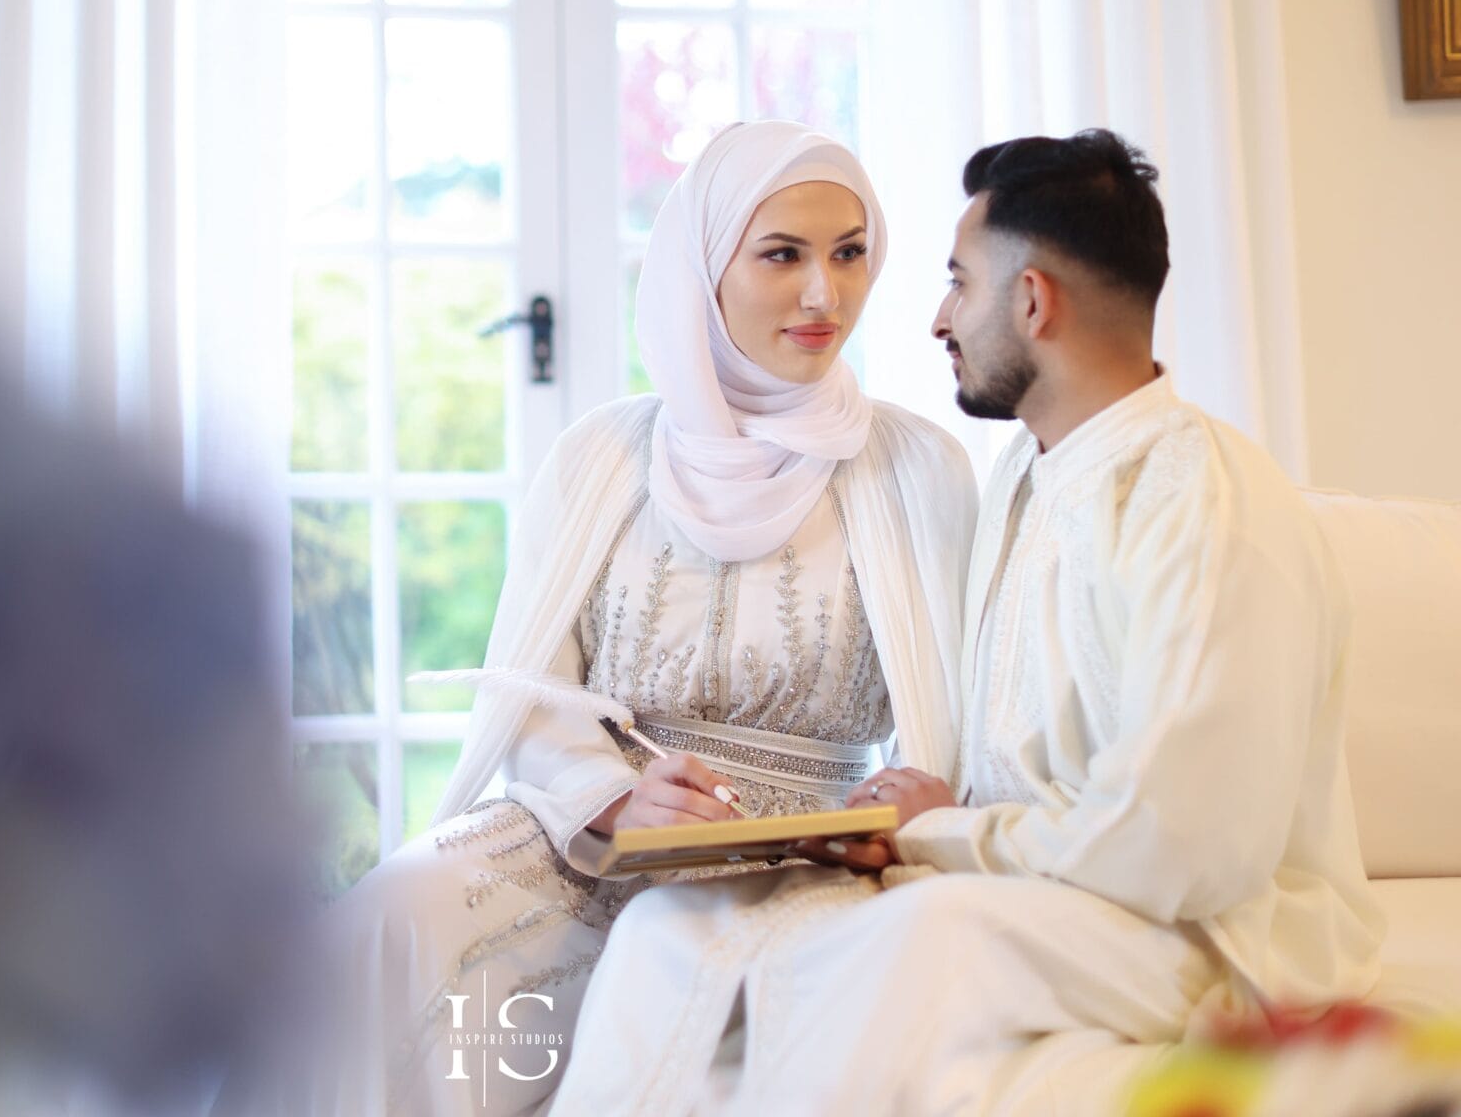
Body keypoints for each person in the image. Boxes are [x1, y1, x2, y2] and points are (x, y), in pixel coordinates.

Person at [549, 129, 1385, 1116]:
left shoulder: (1207, 502)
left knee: (919, 939)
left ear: (1032, 301)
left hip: (1201, 934)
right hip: (1038, 895)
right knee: (670, 929)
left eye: (958, 283)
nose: (939, 317)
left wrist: (939, 833)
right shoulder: (1024, 477)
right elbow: (998, 777)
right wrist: (893, 828)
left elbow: (1181, 848)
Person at [217, 121, 978, 1116]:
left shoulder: (918, 468)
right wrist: (616, 796)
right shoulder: (603, 455)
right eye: (782, 254)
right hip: (594, 836)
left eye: (849, 253)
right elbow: (533, 685)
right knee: (383, 926)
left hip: (816, 861)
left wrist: (909, 805)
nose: (823, 294)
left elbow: (965, 708)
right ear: (702, 267)